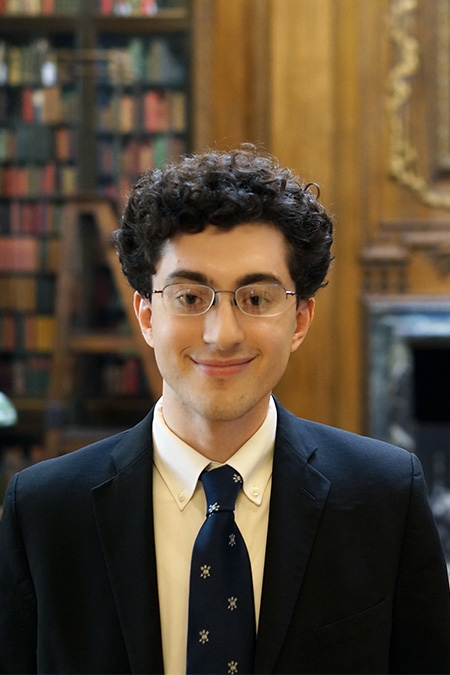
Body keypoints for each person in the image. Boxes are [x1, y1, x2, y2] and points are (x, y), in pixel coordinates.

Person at [0, 145, 449, 675]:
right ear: (147, 315)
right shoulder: (46, 510)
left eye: (256, 299)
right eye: (191, 297)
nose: (222, 334)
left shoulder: (384, 496)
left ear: (300, 320)